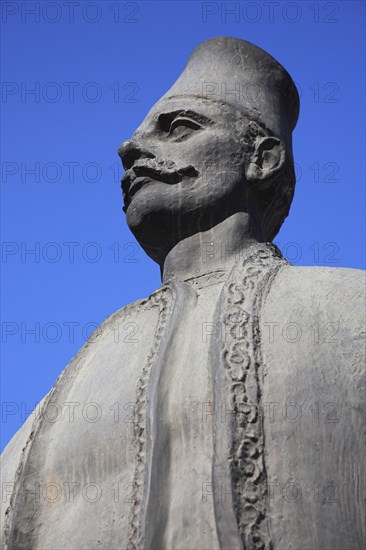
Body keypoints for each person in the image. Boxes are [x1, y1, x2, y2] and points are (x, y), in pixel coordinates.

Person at [1, 37, 364, 550]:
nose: (130, 148)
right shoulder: (70, 388)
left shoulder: (351, 311)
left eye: (178, 127)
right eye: (138, 133)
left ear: (262, 159)